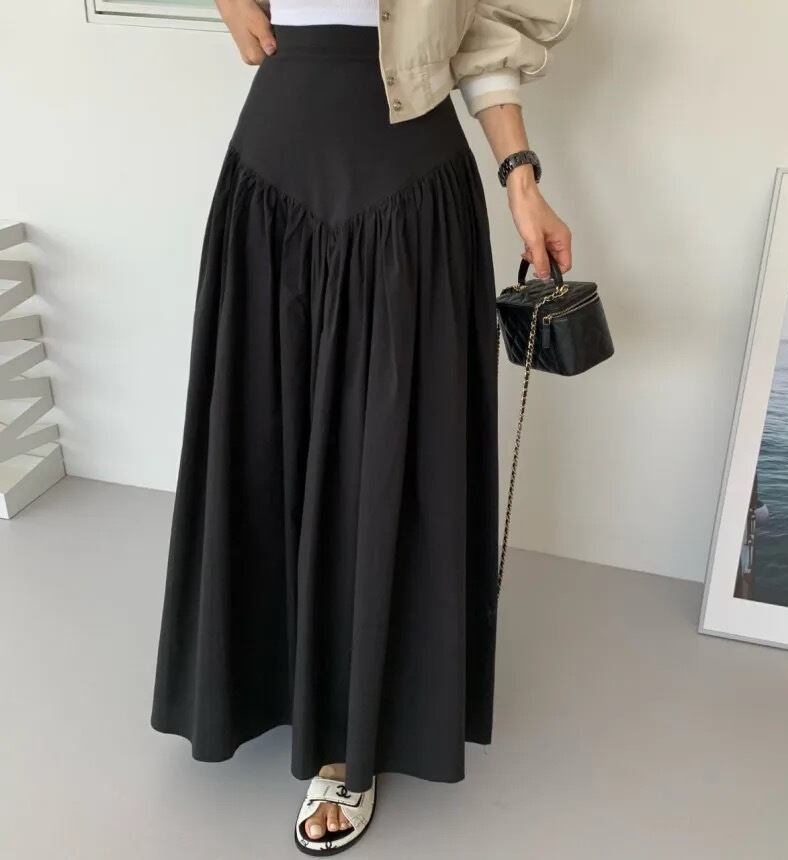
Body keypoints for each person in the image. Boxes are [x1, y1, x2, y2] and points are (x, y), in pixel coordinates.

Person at [149, 1, 579, 854]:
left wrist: (521, 178)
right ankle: (260, 683)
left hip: (407, 182)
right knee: (262, 437)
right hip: (273, 172)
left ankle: (349, 738)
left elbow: (487, 36)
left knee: (382, 457)